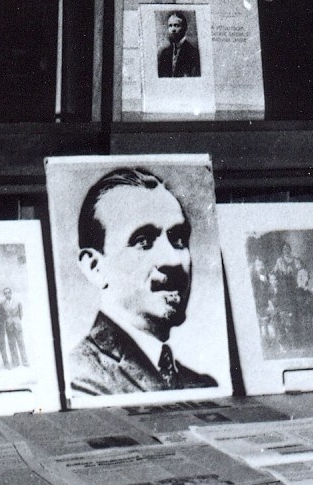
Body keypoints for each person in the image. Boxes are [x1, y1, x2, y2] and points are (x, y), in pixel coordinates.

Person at [69, 168, 217, 395]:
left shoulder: (201, 385)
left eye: (178, 239)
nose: (173, 260)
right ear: (95, 267)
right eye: (143, 241)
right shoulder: (80, 382)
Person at [157, 11, 200, 78]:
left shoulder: (193, 53)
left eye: (176, 25)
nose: (173, 29)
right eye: (170, 26)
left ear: (184, 28)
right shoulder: (165, 53)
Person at [0, 287, 27, 368]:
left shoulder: (17, 302)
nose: (7, 294)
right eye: (5, 293)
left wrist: (16, 320)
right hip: (9, 326)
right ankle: (15, 362)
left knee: (21, 343)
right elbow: (2, 314)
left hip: (17, 325)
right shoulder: (2, 304)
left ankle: (25, 361)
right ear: (4, 295)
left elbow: (21, 314)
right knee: (12, 344)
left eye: (8, 292)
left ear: (11, 293)